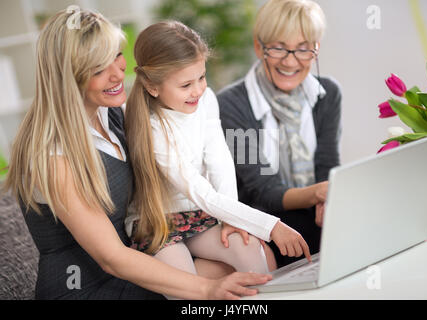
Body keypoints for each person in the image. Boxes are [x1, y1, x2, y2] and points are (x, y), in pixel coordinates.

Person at [3, 9, 272, 300]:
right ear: (68, 79)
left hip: (136, 260)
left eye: (116, 55)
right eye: (98, 70)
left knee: (256, 258)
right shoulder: (53, 155)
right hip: (87, 287)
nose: (119, 73)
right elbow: (111, 258)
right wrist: (207, 289)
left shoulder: (113, 114)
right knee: (235, 279)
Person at [124, 20, 312, 290]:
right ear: (153, 87)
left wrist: (231, 220)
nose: (198, 89)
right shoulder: (154, 127)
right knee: (187, 287)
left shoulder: (206, 100)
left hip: (200, 213)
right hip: (157, 222)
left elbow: (220, 161)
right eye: (186, 84)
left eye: (202, 77)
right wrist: (270, 226)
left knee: (249, 251)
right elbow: (200, 191)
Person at [217, 0, 342, 268]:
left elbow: (327, 166)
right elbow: (263, 190)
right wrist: (319, 193)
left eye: (303, 50)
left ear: (316, 49)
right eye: (278, 48)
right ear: (259, 47)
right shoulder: (232, 104)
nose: (290, 61)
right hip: (266, 221)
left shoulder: (327, 95)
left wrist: (327, 200)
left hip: (316, 215)